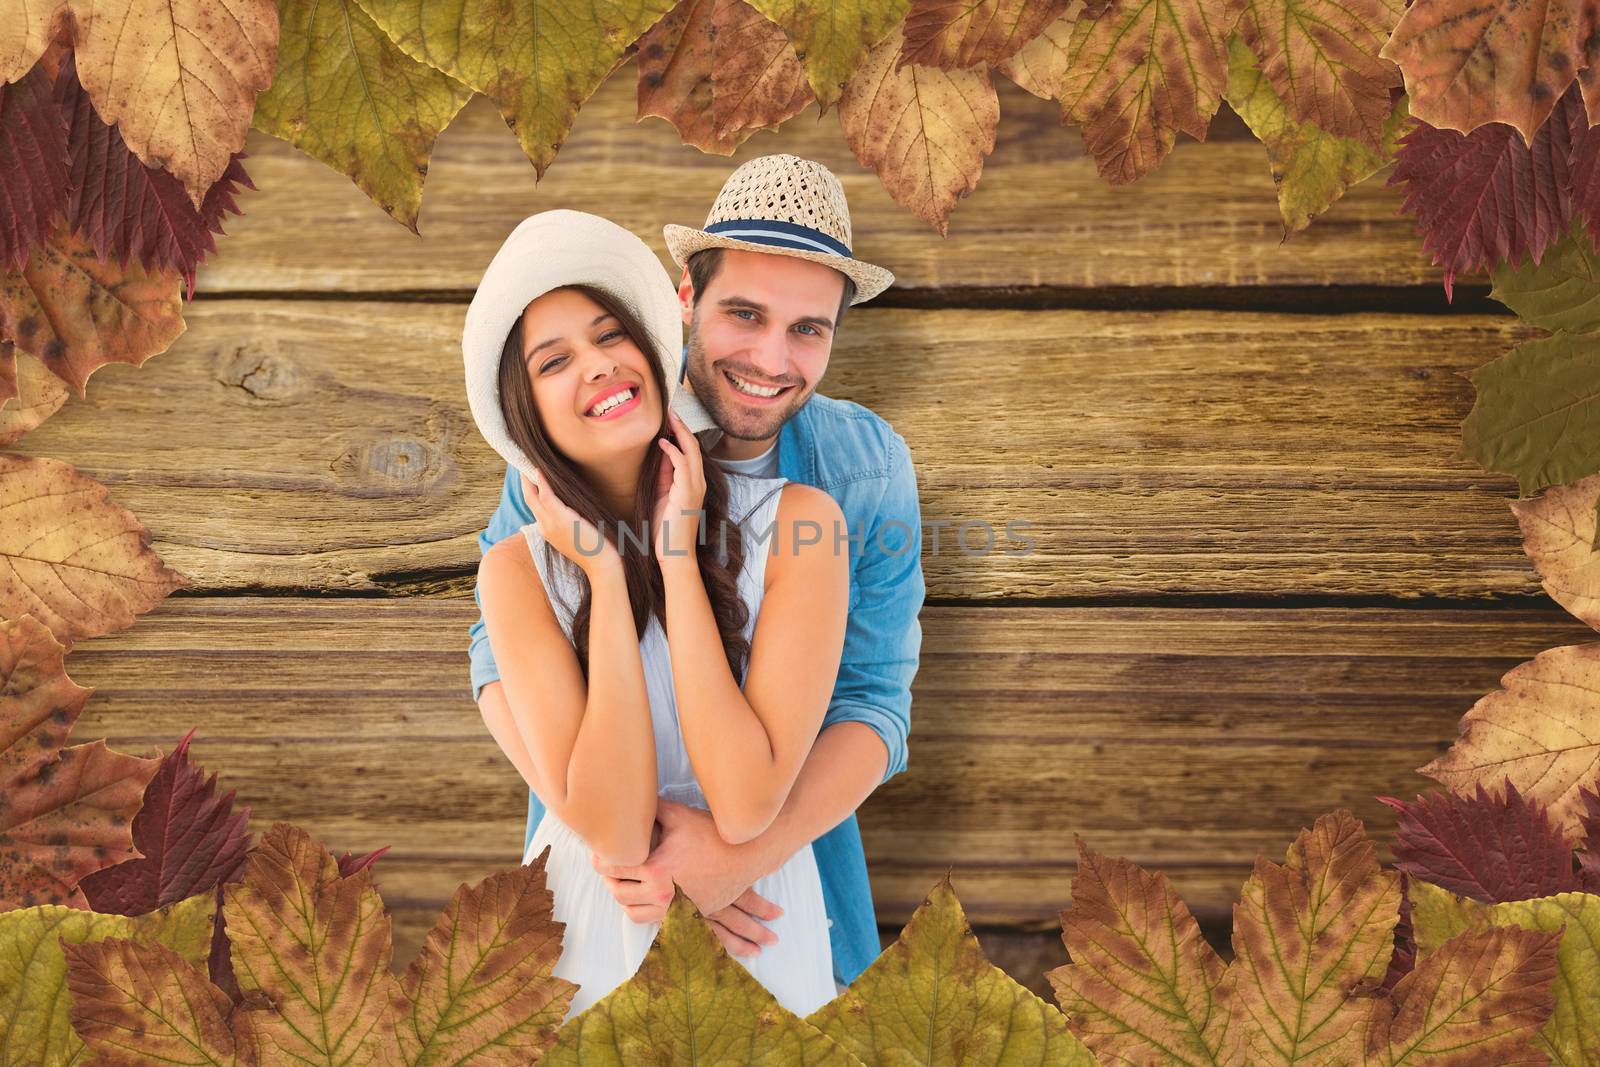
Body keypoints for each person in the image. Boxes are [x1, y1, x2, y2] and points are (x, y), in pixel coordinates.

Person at [468, 155, 925, 993]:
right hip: (602, 878)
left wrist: (732, 857)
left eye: (806, 329)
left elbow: (873, 702)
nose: (769, 356)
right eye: (743, 313)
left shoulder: (859, 472)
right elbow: (496, 653)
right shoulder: (576, 434)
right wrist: (628, 847)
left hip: (779, 880)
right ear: (686, 298)